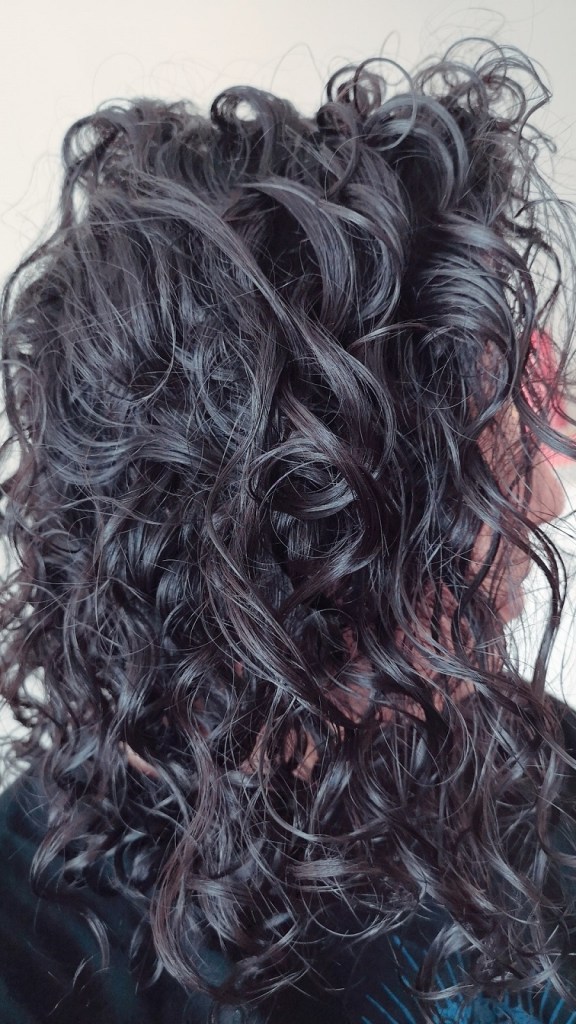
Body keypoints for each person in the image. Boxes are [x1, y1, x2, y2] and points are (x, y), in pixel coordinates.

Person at [1, 37, 576, 1024]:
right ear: (316, 533)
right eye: (499, 428)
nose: (553, 493)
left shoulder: (545, 787)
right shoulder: (30, 952)